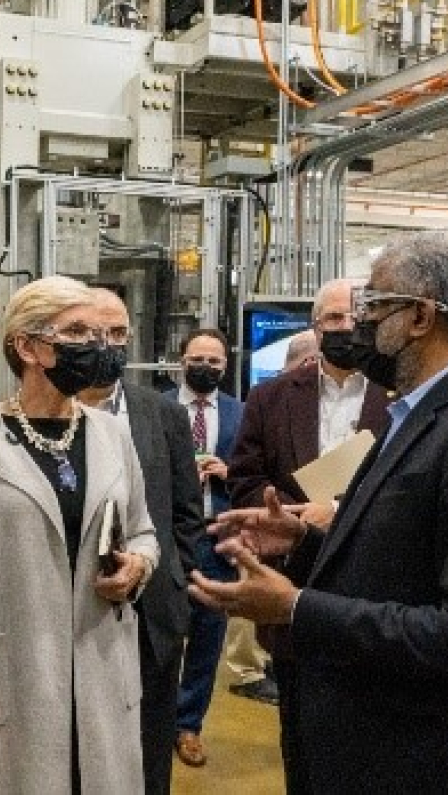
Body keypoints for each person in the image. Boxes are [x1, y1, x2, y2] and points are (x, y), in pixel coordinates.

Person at [195, 231, 448, 793]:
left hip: (436, 762)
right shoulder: (423, 414)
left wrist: (297, 607)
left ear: (422, 317)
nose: (359, 326)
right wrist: (304, 543)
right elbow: (411, 562)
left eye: (373, 307)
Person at [0, 275, 160, 794]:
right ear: (27, 346)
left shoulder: (110, 433)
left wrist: (138, 566)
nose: (96, 347)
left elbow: (144, 532)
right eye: (76, 331)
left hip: (104, 668)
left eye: (101, 334)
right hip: (14, 676)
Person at [224, 276, 392, 794]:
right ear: (315, 328)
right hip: (297, 589)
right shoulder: (271, 397)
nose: (345, 328)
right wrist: (291, 520)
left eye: (355, 318)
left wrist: (338, 512)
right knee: (303, 745)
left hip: (381, 591)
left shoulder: (401, 396)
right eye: (333, 319)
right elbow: (244, 479)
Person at [77, 288, 202, 795]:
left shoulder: (161, 413)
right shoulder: (44, 415)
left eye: (119, 333)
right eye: (95, 333)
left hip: (153, 614)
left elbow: (187, 513)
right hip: (78, 609)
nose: (108, 344)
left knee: (150, 749)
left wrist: (175, 582)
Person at [169, 328, 244, 769]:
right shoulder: (159, 409)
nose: (206, 367)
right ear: (182, 360)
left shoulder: (241, 413)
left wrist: (228, 472)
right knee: (161, 634)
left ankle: (189, 724)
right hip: (168, 535)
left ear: (225, 366)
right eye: (198, 359)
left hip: (217, 536)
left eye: (214, 362)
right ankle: (155, 718)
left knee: (207, 635)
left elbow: (254, 473)